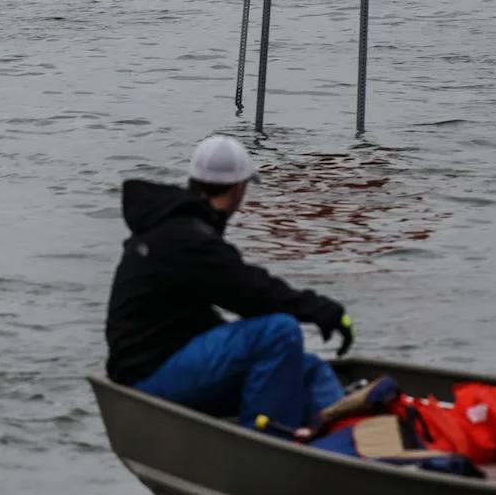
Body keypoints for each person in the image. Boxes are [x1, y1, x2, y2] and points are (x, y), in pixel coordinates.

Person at [106, 136, 351, 433]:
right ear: (239, 189)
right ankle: (267, 441)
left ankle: (350, 440)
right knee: (280, 332)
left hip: (160, 360)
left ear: (195, 181)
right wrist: (321, 310)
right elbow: (251, 293)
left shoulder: (172, 226)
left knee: (308, 367)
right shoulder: (189, 238)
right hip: (148, 377)